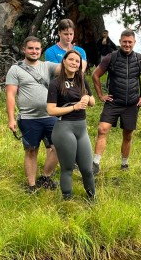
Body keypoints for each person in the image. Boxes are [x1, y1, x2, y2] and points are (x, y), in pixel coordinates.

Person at [91, 29, 141, 174]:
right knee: (102, 129)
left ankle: (124, 164)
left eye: (130, 42)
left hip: (132, 104)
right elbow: (96, 75)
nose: (127, 44)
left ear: (134, 43)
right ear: (120, 42)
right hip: (113, 102)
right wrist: (101, 95)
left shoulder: (140, 59)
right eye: (124, 42)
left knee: (128, 135)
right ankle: (95, 163)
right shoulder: (110, 57)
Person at [6, 36, 61, 193]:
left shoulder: (47, 66)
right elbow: (10, 95)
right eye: (31, 48)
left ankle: (45, 177)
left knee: (58, 147)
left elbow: (68, 67)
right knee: (31, 151)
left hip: (50, 116)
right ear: (24, 49)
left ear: (41, 50)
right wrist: (11, 119)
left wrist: (72, 53)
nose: (34, 51)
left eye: (37, 48)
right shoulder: (15, 69)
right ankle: (31, 186)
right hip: (29, 118)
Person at [46, 50, 96, 200]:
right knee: (67, 168)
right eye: (71, 60)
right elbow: (51, 110)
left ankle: (92, 199)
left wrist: (87, 97)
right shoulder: (55, 84)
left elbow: (93, 102)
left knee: (87, 169)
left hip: (81, 128)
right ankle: (67, 200)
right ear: (64, 61)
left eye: (77, 61)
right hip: (64, 128)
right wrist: (73, 107)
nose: (74, 63)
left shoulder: (81, 80)